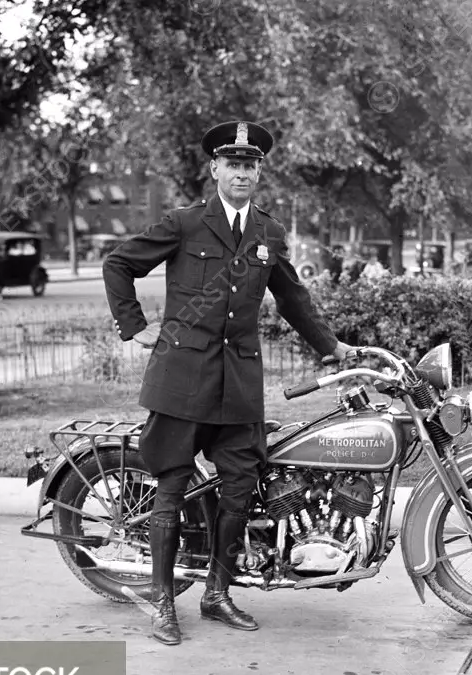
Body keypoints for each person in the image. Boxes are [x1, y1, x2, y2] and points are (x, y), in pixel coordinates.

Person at [102, 120, 355, 645]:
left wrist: (332, 347)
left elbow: (292, 298)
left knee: (241, 488)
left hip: (238, 382)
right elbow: (119, 263)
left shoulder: (268, 231)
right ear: (215, 169)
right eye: (232, 163)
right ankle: (163, 605)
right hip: (182, 379)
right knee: (171, 487)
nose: (242, 172)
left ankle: (216, 593)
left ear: (260, 171)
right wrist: (136, 328)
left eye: (251, 164)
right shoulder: (185, 223)